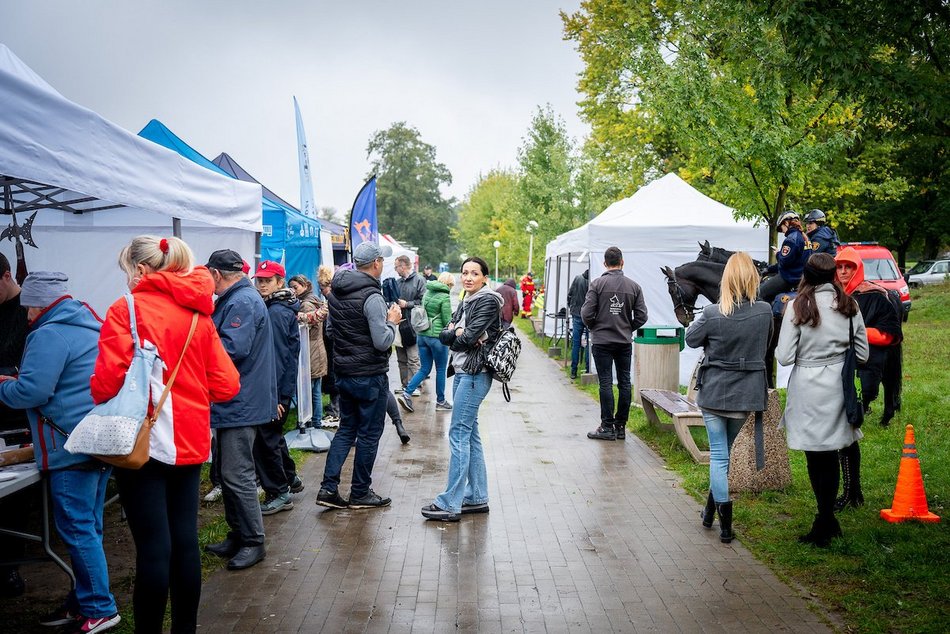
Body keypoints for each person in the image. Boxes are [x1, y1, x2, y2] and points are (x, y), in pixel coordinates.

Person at [92, 236, 241, 632]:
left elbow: (105, 384)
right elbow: (227, 385)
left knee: (153, 548)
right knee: (185, 541)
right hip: (190, 440)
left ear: (142, 270)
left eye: (128, 271)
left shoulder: (125, 309)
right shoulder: (199, 314)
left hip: (140, 441)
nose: (127, 278)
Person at [0, 272, 121, 633]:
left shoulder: (48, 334)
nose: (26, 315)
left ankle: (100, 607)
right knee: (89, 528)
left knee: (78, 530)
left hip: (68, 448)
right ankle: (83, 602)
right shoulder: (87, 322)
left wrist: (4, 387)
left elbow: (33, 393)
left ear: (40, 305)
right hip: (95, 442)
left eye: (28, 309)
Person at [776, 253, 868, 547]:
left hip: (808, 387)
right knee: (831, 452)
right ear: (832, 276)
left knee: (816, 456)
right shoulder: (849, 305)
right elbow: (863, 353)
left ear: (807, 275)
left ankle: (825, 519)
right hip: (838, 387)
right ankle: (826, 518)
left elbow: (784, 356)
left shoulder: (798, 307)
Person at [685, 253, 772, 543]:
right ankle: (710, 513)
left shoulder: (712, 313)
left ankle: (724, 526)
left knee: (719, 457)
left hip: (715, 392)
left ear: (726, 280)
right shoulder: (764, 311)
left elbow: (690, 339)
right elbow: (765, 345)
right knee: (724, 455)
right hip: (747, 393)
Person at [203, 248, 277, 572]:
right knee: (229, 473)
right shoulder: (238, 298)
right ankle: (239, 534)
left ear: (216, 274)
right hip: (235, 400)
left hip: (240, 401)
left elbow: (232, 348)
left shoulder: (242, 301)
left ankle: (253, 541)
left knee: (237, 474)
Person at [316, 242, 401, 510]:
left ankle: (328, 489)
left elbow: (331, 332)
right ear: (376, 263)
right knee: (368, 434)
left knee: (346, 430)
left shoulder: (336, 293)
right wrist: (392, 322)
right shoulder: (372, 297)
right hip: (369, 375)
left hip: (344, 372)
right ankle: (360, 492)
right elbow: (381, 341)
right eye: (382, 261)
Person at [421, 257, 502, 522]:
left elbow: (463, 338)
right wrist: (456, 332)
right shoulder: (467, 299)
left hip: (475, 373)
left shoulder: (487, 300)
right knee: (470, 434)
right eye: (465, 272)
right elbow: (445, 335)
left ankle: (450, 503)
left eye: (474, 273)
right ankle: (476, 496)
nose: (468, 277)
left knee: (458, 434)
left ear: (485, 278)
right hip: (463, 371)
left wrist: (457, 333)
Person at [833, 248, 903, 511]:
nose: (843, 272)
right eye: (839, 267)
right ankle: (852, 492)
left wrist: (855, 332)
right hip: (838, 371)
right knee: (843, 432)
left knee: (848, 431)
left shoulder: (875, 296)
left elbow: (889, 335)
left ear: (858, 268)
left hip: (865, 370)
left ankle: (852, 491)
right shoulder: (833, 295)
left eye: (848, 267)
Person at [581, 247, 648, 441]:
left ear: (605, 263)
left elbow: (586, 313)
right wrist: (627, 328)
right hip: (623, 342)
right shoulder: (634, 287)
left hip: (602, 341)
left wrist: (595, 327)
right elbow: (642, 316)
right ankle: (620, 426)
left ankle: (607, 426)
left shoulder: (597, 284)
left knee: (605, 382)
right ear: (622, 262)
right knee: (624, 382)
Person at [253, 261, 301, 516]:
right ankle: (290, 478)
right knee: (273, 436)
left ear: (279, 282)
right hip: (277, 387)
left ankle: (279, 492)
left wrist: (278, 396)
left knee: (266, 440)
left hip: (275, 388)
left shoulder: (276, 312)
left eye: (267, 281)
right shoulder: (277, 306)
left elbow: (279, 357)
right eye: (259, 280)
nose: (262, 285)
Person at [0, 251, 30, 598]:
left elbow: (30, 370)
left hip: (18, 415)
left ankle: (10, 566)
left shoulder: (27, 312)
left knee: (14, 498)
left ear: (7, 276)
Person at [399, 271, 455, 414]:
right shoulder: (445, 296)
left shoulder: (428, 292)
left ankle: (406, 393)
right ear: (449, 284)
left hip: (422, 335)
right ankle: (441, 401)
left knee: (424, 369)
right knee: (440, 369)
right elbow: (446, 320)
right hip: (437, 337)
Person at [289, 274, 328, 426]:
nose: (293, 290)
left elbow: (306, 328)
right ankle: (317, 421)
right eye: (291, 287)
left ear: (304, 286)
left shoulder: (306, 305)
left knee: (310, 391)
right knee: (315, 390)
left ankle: (314, 422)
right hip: (317, 349)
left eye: (295, 287)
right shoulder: (314, 299)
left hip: (310, 351)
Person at [759, 210, 810, 303]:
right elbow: (795, 261)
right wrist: (770, 268)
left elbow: (784, 262)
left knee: (759, 294)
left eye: (781, 227)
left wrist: (778, 254)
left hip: (789, 278)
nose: (782, 231)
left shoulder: (791, 240)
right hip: (801, 277)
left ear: (786, 223)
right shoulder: (805, 238)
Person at [394, 255, 426, 392]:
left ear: (403, 266)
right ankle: (405, 385)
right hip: (399, 324)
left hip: (413, 325)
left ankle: (416, 385)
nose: (395, 269)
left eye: (396, 267)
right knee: (401, 358)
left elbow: (424, 302)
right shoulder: (397, 282)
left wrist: (407, 304)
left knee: (413, 358)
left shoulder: (419, 280)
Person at [317, 265, 340, 424]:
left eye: (322, 288)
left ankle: (335, 411)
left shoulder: (333, 301)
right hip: (334, 346)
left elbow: (331, 329)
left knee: (334, 378)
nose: (322, 291)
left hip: (335, 346)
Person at [567, 270, 590, 379]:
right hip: (589, 316)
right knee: (589, 343)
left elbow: (569, 295)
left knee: (576, 344)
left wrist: (571, 307)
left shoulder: (577, 278)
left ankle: (573, 371)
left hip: (576, 314)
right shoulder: (594, 280)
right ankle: (588, 369)